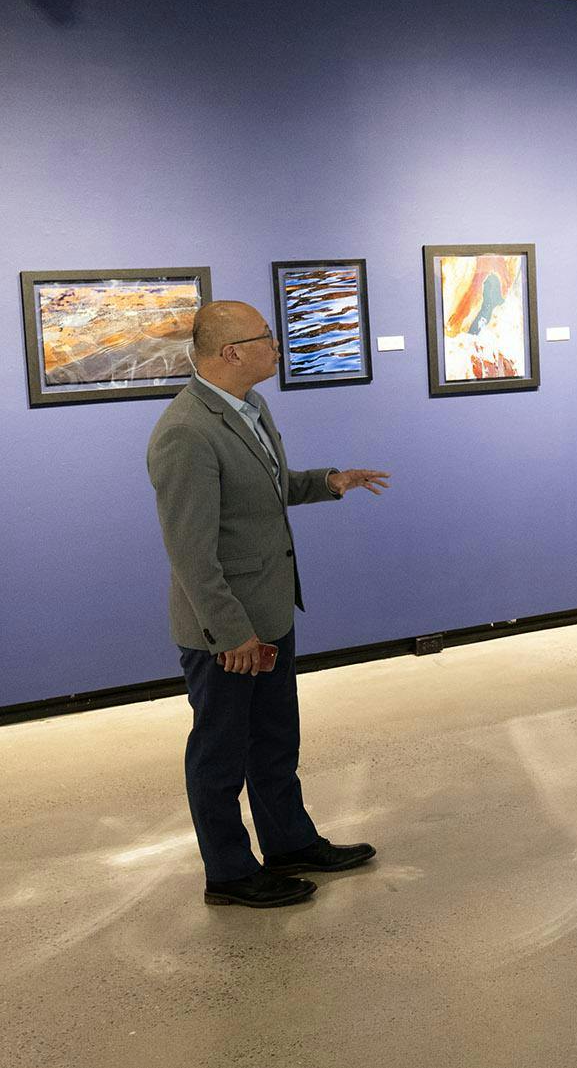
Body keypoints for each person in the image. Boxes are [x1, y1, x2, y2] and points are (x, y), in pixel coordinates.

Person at [145, 301, 389, 908]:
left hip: (271, 612)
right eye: (265, 338)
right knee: (220, 754)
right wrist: (231, 635)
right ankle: (228, 872)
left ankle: (289, 843)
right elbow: (191, 554)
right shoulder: (185, 433)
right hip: (227, 630)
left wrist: (327, 481)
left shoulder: (250, 406)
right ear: (231, 353)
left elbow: (265, 489)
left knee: (275, 741)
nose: (277, 345)